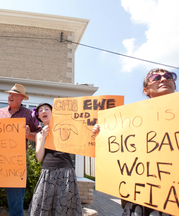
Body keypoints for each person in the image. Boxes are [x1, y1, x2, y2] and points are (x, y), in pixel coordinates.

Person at [93, 68, 175, 216]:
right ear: (146, 90)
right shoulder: (132, 120)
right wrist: (101, 135)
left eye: (169, 76)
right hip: (141, 198)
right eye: (156, 77)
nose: (164, 79)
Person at [0, 84, 41, 216]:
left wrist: (28, 135)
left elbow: (40, 136)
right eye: (9, 94)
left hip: (16, 164)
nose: (10, 96)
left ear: (22, 98)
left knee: (16, 203)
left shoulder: (30, 115)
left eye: (14, 94)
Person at [27, 102, 83, 216]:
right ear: (38, 116)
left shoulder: (65, 128)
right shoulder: (39, 134)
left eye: (47, 109)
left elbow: (81, 137)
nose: (44, 111)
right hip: (48, 173)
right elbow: (39, 157)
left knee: (64, 207)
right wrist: (43, 136)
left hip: (66, 172)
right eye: (41, 110)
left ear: (53, 113)